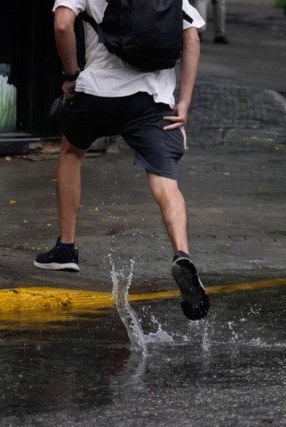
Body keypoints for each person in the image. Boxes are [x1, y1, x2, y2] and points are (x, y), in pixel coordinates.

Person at [35, 0, 211, 320]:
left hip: (97, 93)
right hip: (152, 99)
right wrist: (184, 102)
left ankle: (66, 249)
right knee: (164, 178)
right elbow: (191, 37)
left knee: (72, 152)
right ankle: (182, 253)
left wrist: (71, 74)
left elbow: (62, 25)